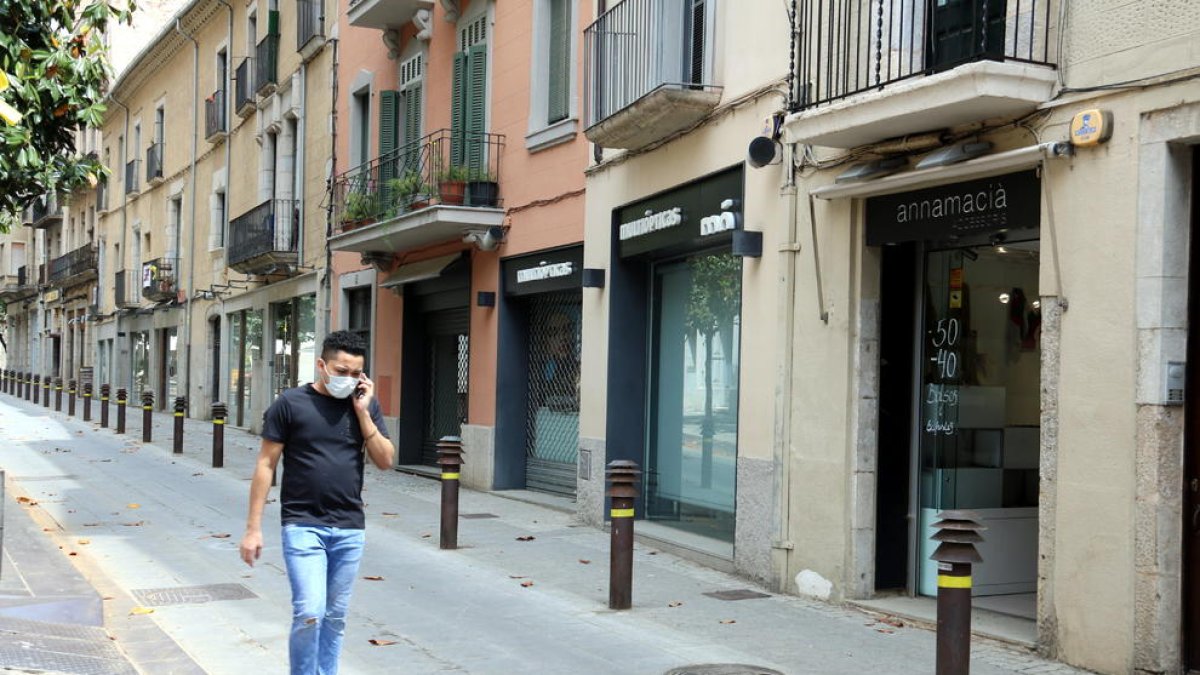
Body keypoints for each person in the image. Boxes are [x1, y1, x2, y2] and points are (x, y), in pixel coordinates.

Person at [239, 330, 395, 675]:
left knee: (335, 617)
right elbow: (266, 465)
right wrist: (253, 529)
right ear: (322, 365)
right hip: (302, 524)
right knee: (310, 612)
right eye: (342, 371)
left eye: (356, 374)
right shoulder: (291, 404)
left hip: (350, 528)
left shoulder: (364, 405)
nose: (349, 379)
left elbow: (386, 460)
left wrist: (363, 412)